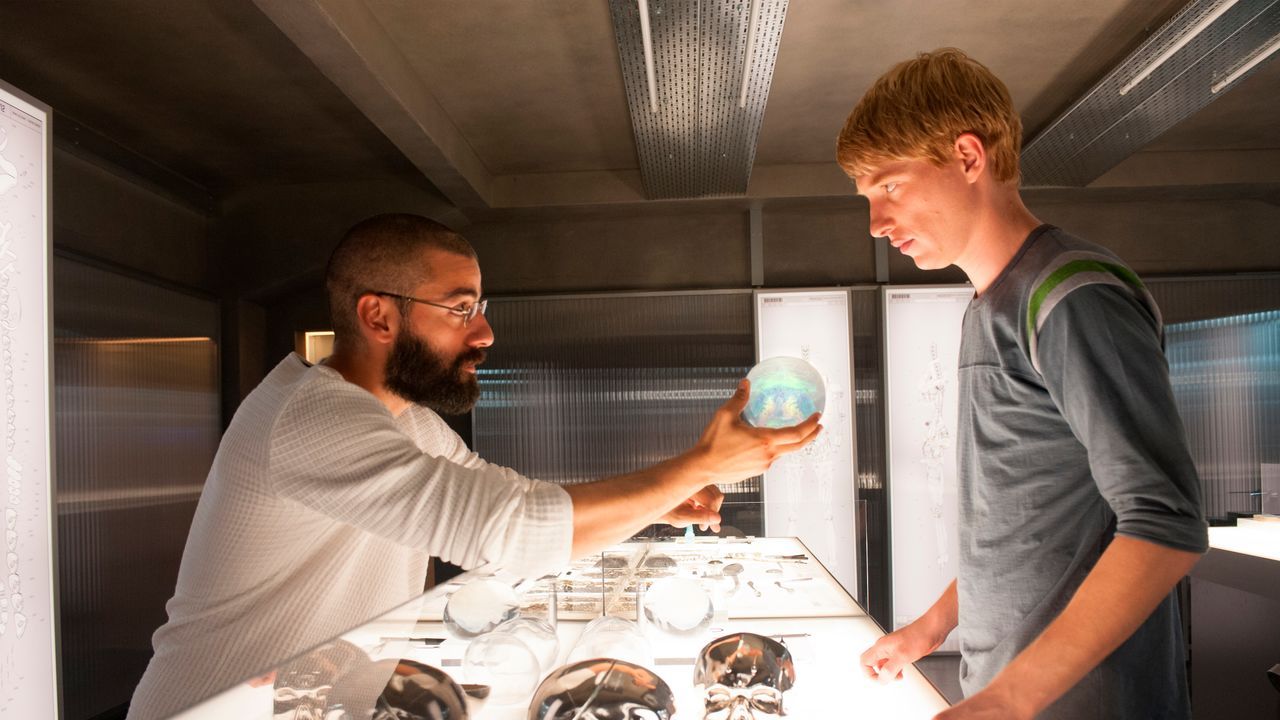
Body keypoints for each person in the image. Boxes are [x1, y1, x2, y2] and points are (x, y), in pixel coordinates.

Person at [127, 214, 821, 719]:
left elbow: (512, 505)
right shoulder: (312, 417)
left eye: (479, 308)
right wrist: (696, 465)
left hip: (303, 700)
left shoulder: (407, 422)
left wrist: (656, 504)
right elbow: (507, 530)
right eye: (460, 310)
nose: (484, 333)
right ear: (379, 316)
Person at [837, 49, 1207, 719]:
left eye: (889, 188)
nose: (876, 224)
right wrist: (931, 628)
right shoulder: (989, 307)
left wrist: (1011, 698)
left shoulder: (1072, 295)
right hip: (1010, 690)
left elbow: (1166, 521)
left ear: (967, 157)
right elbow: (1025, 523)